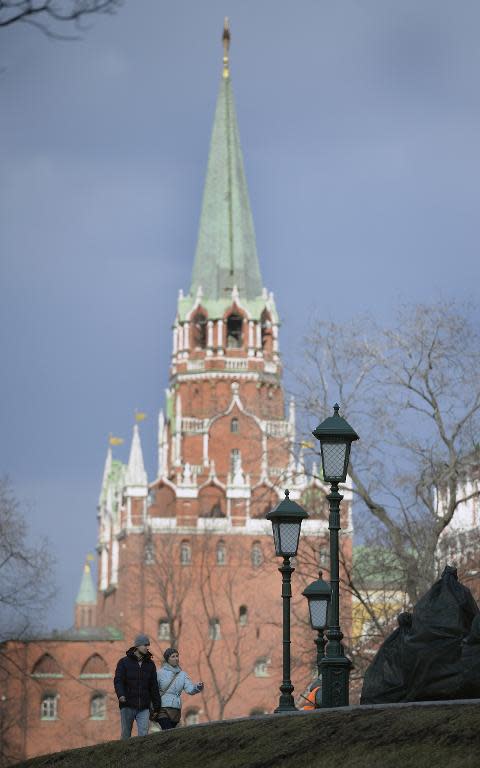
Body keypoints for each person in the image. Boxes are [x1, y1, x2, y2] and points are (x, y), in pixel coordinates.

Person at [114, 633, 161, 739]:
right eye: (145, 645)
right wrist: (121, 695)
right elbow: (118, 680)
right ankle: (124, 755)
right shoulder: (123, 662)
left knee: (144, 737)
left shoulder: (150, 664)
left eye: (148, 645)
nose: (147, 647)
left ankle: (141, 755)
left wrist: (157, 707)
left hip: (144, 707)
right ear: (137, 646)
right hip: (127, 705)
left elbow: (154, 686)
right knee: (126, 735)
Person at [154, 647, 204, 730]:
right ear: (167, 659)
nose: (176, 658)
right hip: (162, 708)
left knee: (171, 732)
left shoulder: (183, 675)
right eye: (173, 656)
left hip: (175, 709)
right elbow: (153, 690)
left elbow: (189, 689)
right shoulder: (159, 673)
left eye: (177, 656)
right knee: (167, 730)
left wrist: (197, 687)